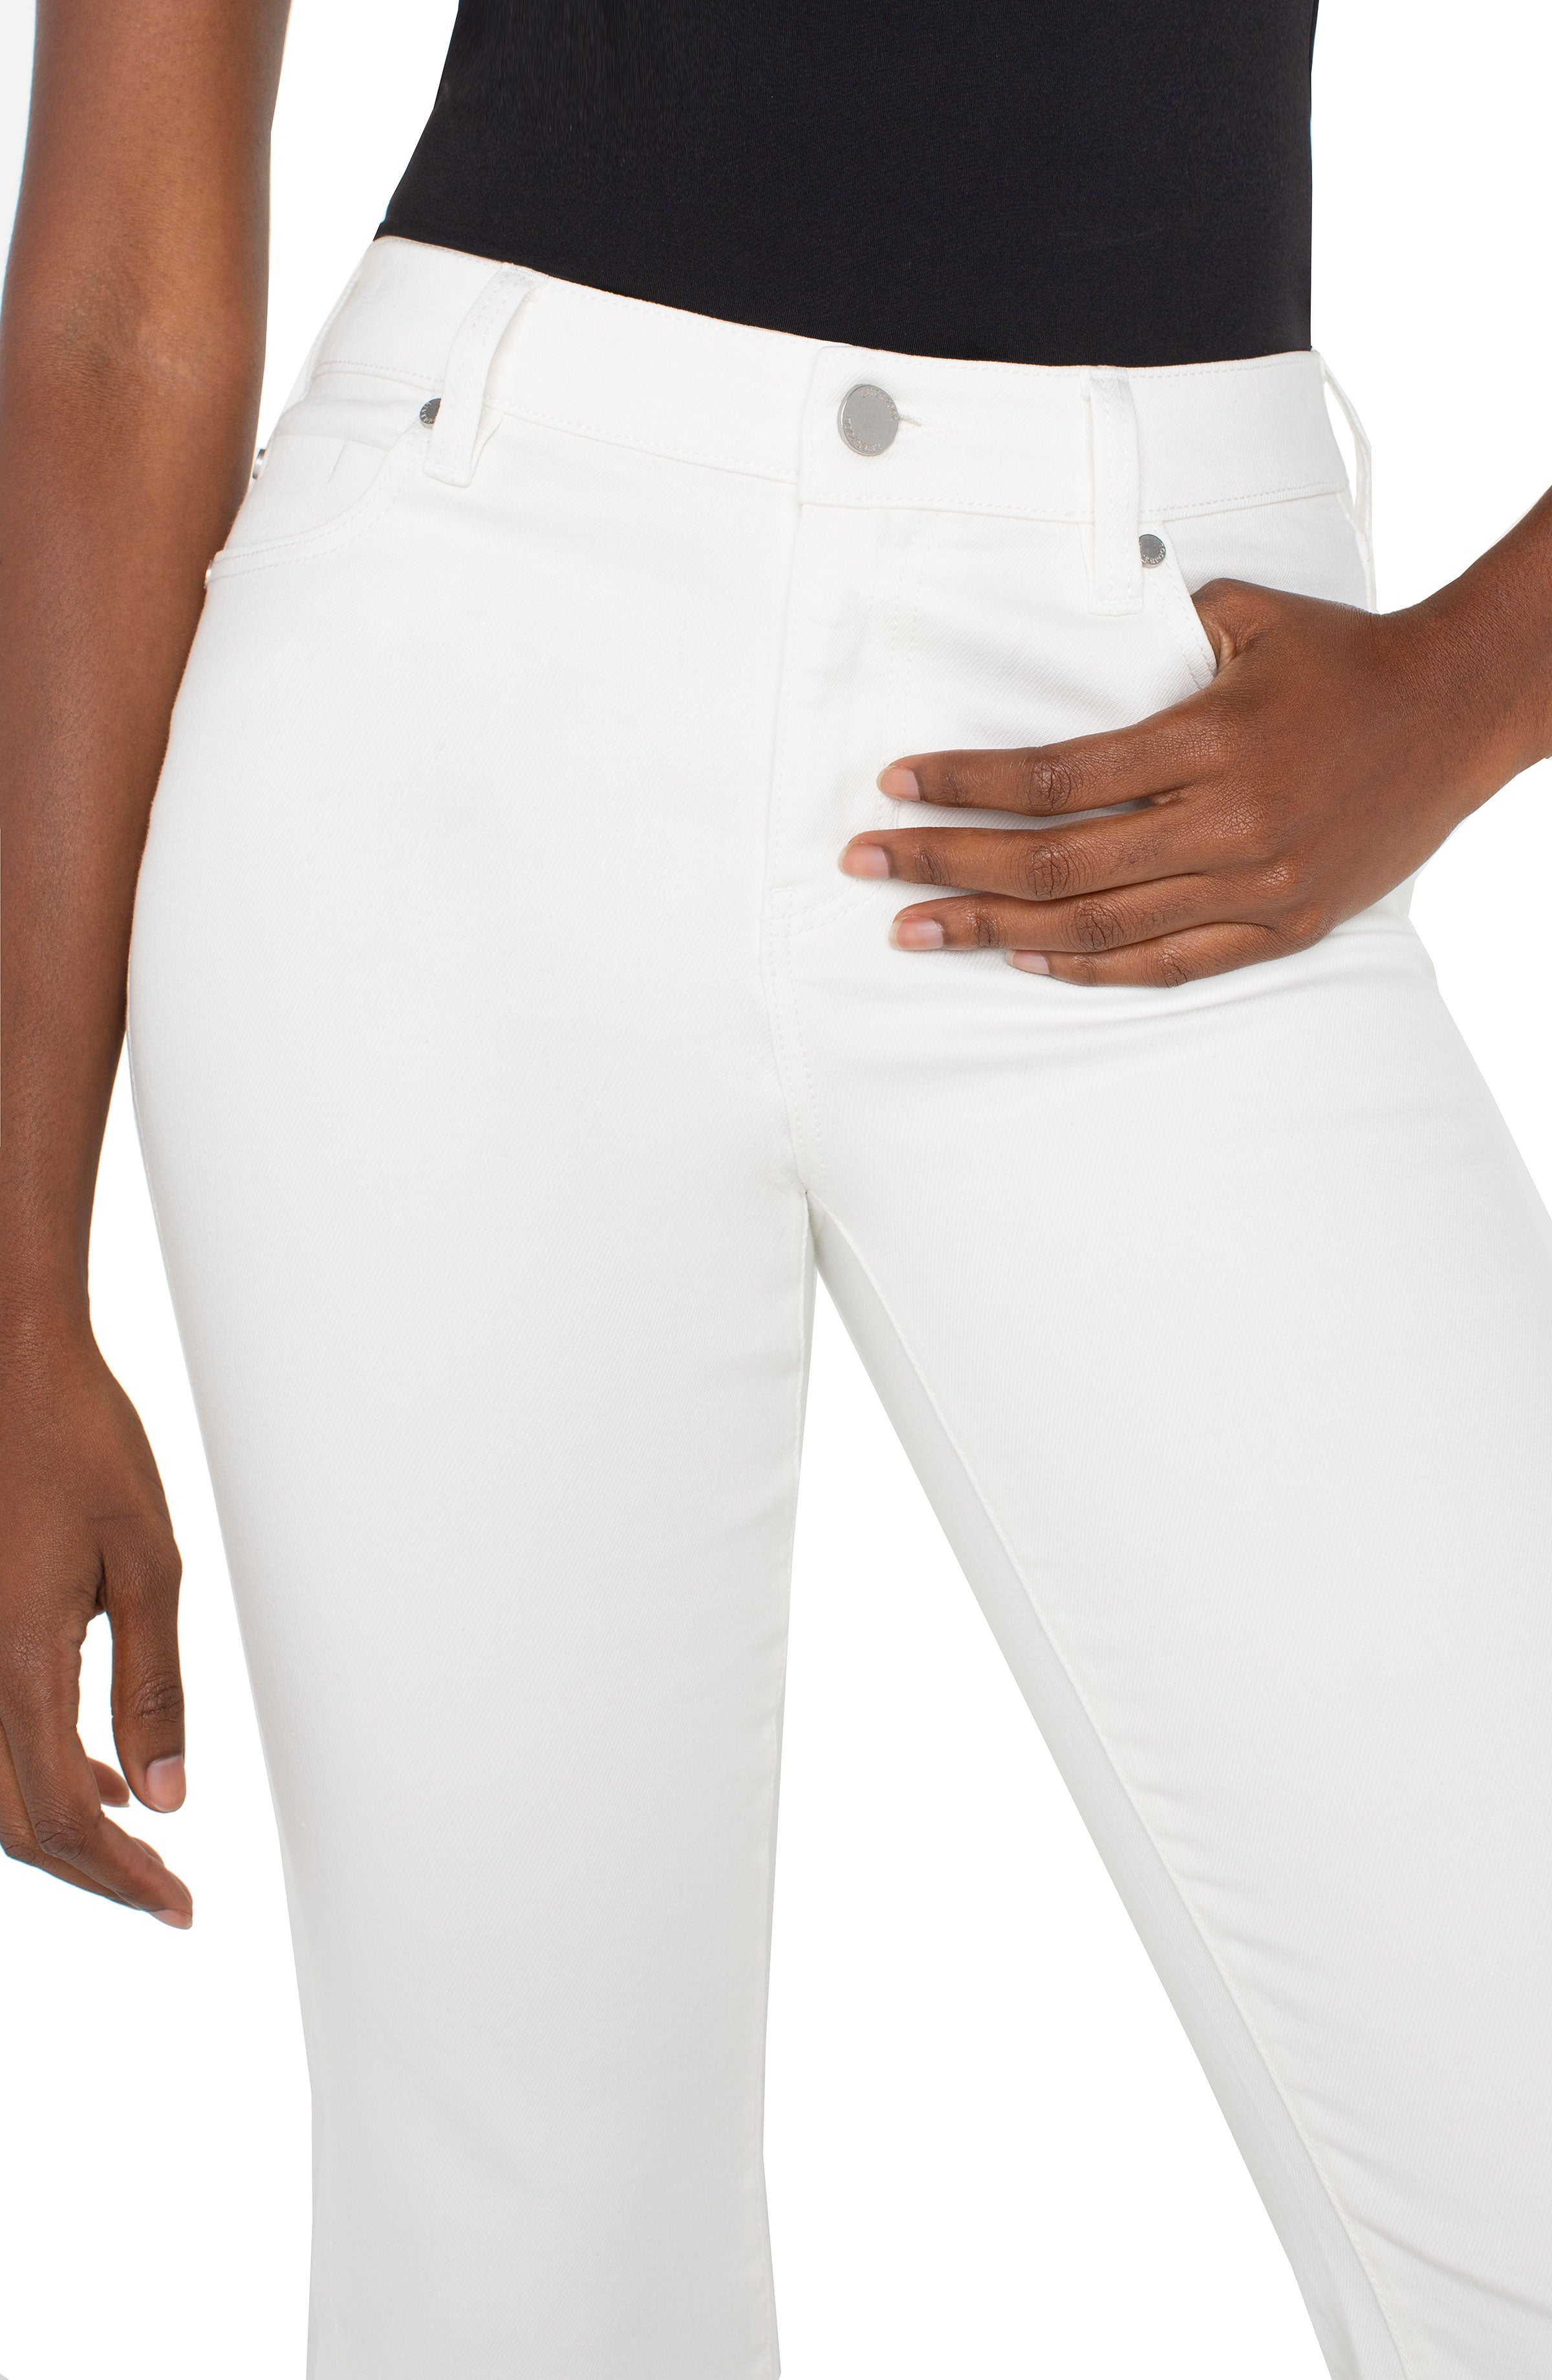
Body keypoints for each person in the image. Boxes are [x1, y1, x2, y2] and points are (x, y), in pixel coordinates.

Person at [1, 4, 1549, 2375]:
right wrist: (17, 1287)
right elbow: (122, 297)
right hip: (452, 695)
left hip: (1170, 713)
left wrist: (1472, 688)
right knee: (517, 2289)